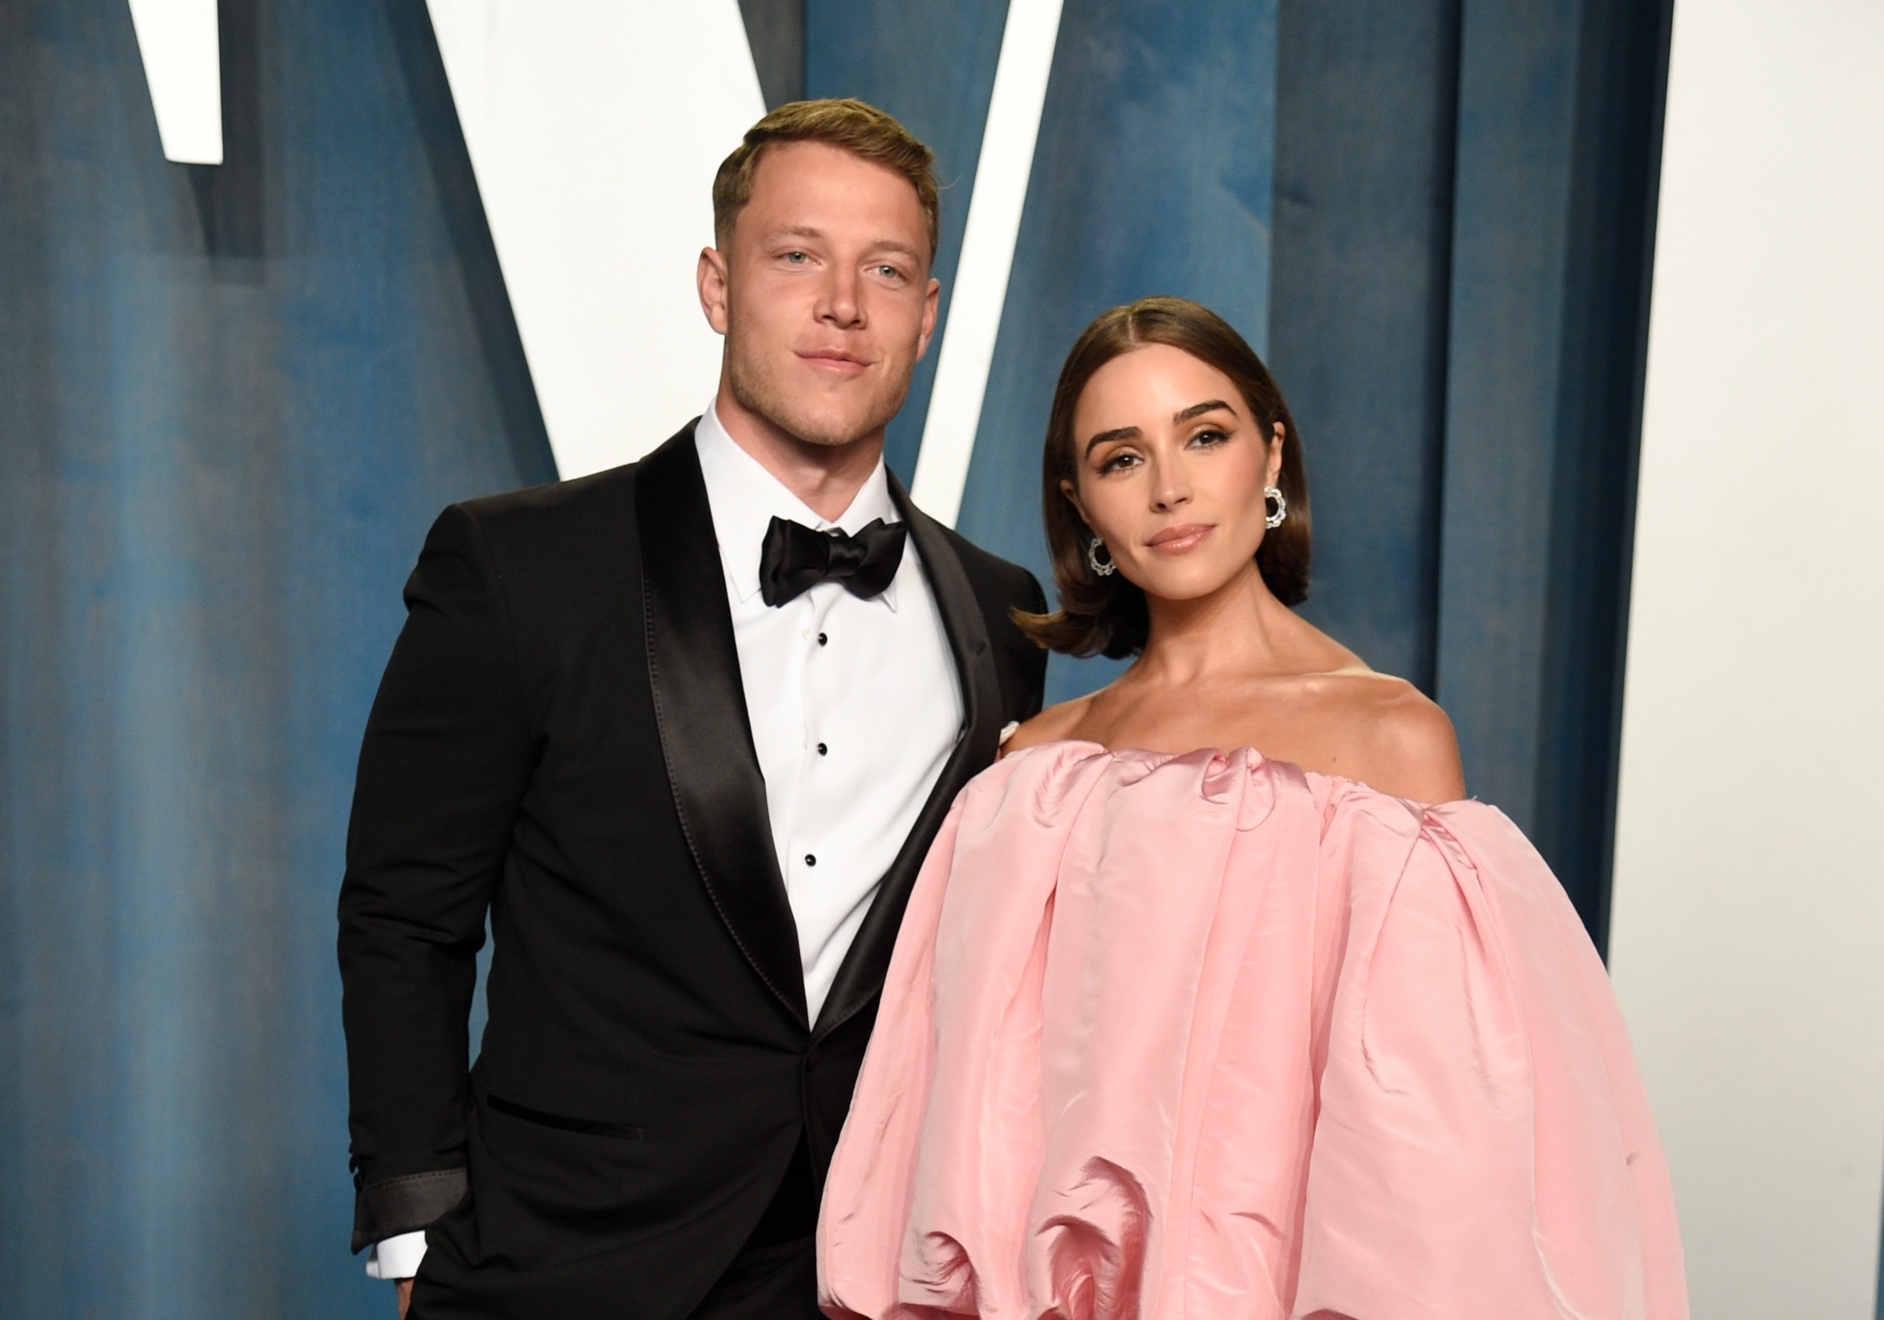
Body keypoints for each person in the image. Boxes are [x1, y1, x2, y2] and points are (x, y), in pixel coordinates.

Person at [817, 297, 1689, 1319]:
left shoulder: (1386, 744)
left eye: (1205, 435)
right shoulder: (1028, 775)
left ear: (1271, 455)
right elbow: (961, 1132)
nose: (1172, 488)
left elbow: (1432, 1164)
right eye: (1122, 457)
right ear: (1080, 503)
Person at [337, 99, 1046, 1320]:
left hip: (867, 1270)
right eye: (796, 256)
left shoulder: (1001, 609)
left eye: (886, 269)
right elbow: (405, 915)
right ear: (718, 285)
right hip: (564, 1266)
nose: (842, 304)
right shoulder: (520, 567)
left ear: (926, 316)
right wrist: (416, 1240)